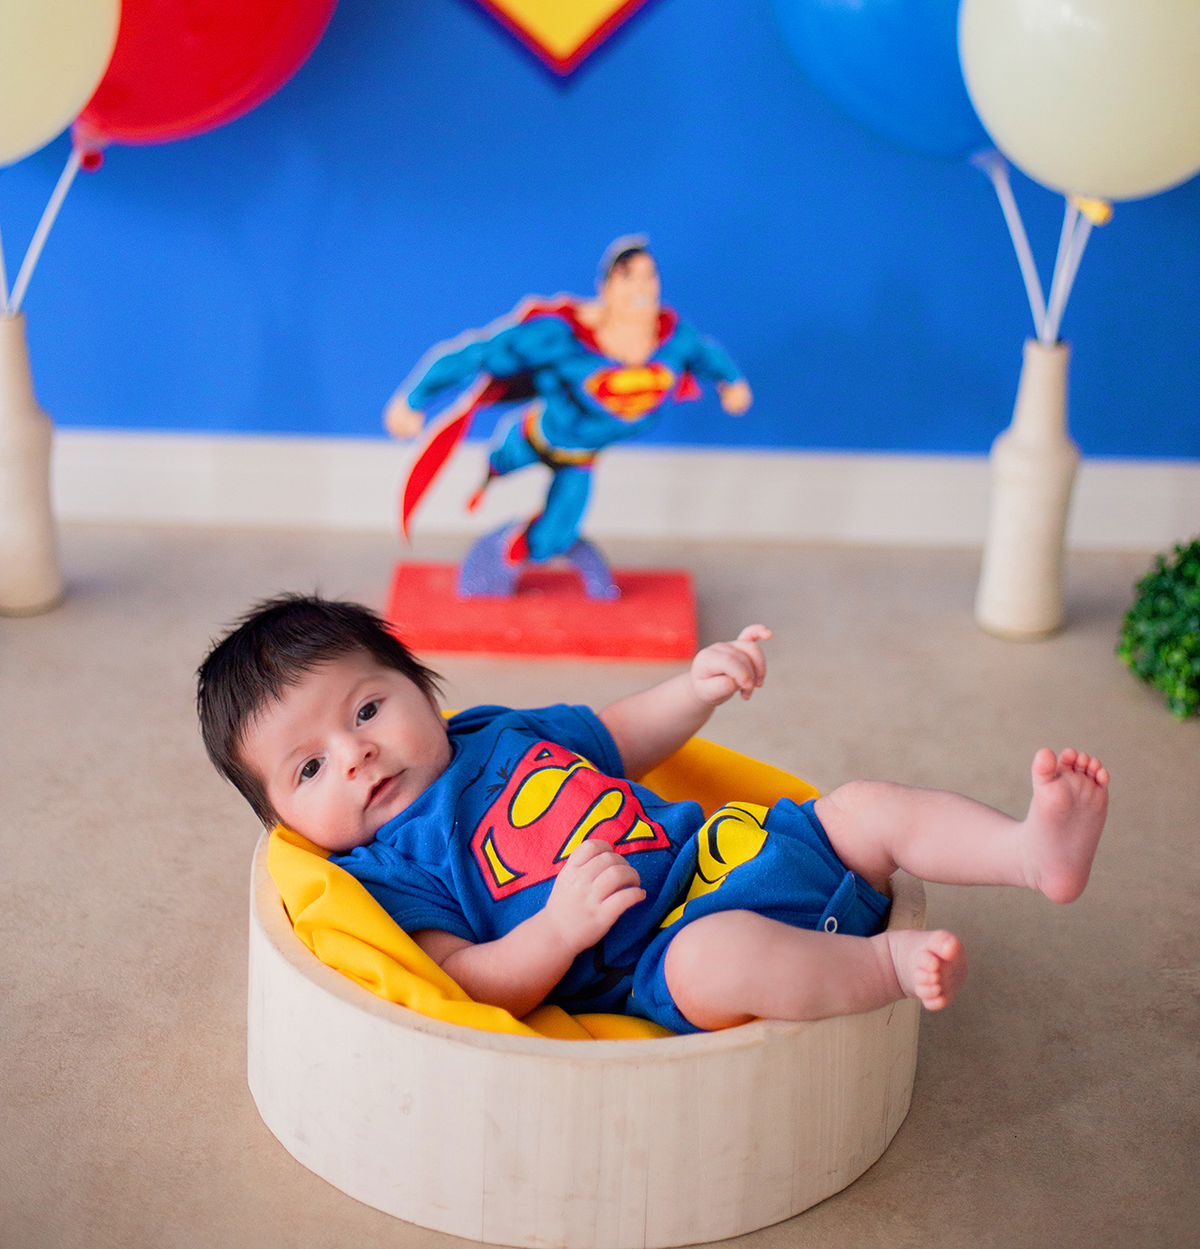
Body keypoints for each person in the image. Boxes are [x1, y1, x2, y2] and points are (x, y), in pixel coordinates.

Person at [197, 595, 1110, 1033]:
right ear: (282, 819)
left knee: (862, 805)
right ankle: (878, 965)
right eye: (310, 767)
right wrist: (555, 932)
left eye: (366, 710)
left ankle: (1030, 851)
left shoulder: (497, 734)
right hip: (660, 956)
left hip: (730, 851)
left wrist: (696, 688)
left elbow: (623, 734)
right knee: (726, 954)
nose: (355, 754)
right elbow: (469, 983)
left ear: (424, 689)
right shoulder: (391, 869)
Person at [384, 238, 751, 597]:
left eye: (649, 276)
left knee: (554, 535)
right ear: (605, 287)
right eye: (628, 276)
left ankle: (517, 546)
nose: (641, 286)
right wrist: (414, 398)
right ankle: (487, 480)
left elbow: (709, 356)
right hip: (534, 434)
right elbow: (478, 353)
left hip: (581, 458)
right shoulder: (561, 338)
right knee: (497, 465)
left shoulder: (674, 340)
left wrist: (732, 382)